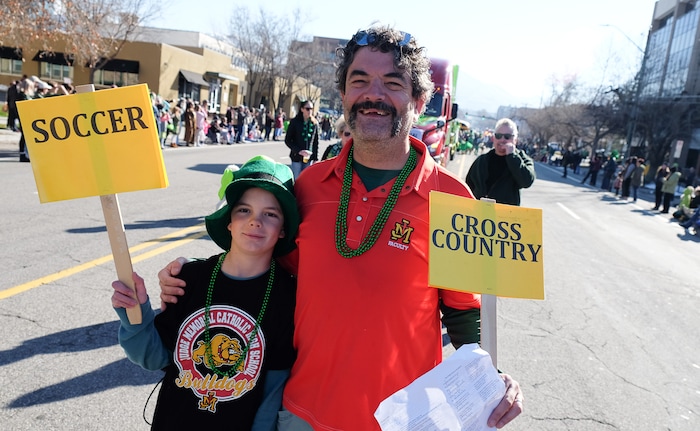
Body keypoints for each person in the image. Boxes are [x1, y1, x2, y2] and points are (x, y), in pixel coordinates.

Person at [159, 26, 524, 430]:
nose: (374, 94)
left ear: (419, 101)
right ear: (345, 94)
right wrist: (190, 277)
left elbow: (463, 313)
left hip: (403, 419)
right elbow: (266, 267)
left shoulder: (453, 197)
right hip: (302, 413)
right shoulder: (309, 186)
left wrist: (492, 379)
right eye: (360, 80)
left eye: (392, 83)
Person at [111, 156, 299, 429]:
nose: (255, 221)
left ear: (283, 230)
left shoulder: (287, 295)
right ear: (229, 222)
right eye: (244, 210)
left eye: (270, 214)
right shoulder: (190, 278)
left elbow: (273, 389)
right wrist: (135, 312)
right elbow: (153, 358)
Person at [465, 118, 535, 206]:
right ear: (494, 139)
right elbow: (468, 186)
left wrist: (512, 156)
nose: (502, 140)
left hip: (505, 216)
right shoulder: (482, 160)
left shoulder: (523, 160)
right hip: (479, 214)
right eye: (498, 136)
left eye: (507, 136)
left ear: (515, 140)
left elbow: (527, 182)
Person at [284, 100, 319, 179]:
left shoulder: (314, 123)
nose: (310, 111)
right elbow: (288, 140)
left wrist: (316, 158)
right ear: (302, 109)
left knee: (305, 180)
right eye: (307, 109)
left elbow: (316, 142)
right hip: (296, 156)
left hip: (309, 158)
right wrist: (299, 151)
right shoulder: (295, 122)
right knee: (297, 179)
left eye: (311, 109)